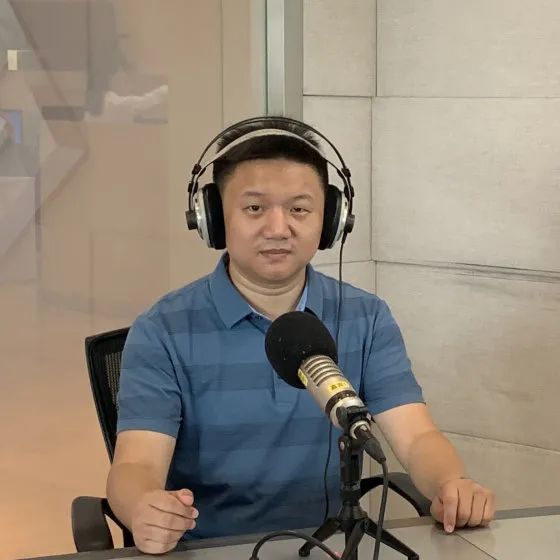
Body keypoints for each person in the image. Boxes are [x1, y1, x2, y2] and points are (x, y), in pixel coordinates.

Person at [106, 117, 495, 554]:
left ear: (330, 221)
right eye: (255, 209)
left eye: (299, 210)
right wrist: (143, 508)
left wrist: (451, 483)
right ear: (213, 219)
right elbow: (136, 464)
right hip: (211, 549)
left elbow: (416, 437)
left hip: (328, 546)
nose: (278, 228)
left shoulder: (365, 317)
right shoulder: (163, 329)